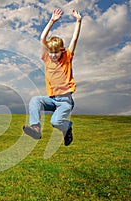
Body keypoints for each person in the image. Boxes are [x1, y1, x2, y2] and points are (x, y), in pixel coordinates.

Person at [23, 8, 82, 146]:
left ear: (62, 51)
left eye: (56, 52)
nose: (53, 55)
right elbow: (42, 38)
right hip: (52, 99)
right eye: (51, 52)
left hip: (65, 101)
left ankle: (67, 127)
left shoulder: (66, 58)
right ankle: (36, 128)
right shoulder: (46, 59)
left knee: (55, 122)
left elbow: (74, 39)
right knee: (35, 100)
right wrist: (52, 21)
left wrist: (78, 21)